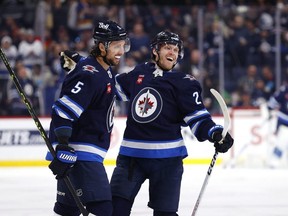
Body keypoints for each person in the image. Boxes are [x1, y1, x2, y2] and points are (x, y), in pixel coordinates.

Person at [61, 30, 234, 216]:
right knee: (114, 211)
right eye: (168, 48)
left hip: (168, 162)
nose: (172, 53)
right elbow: (106, 84)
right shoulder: (140, 72)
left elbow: (198, 118)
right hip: (131, 159)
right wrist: (83, 65)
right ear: (155, 51)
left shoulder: (185, 83)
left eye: (176, 50)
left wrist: (215, 133)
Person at [46, 19, 130, 216]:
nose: (121, 50)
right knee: (104, 210)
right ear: (102, 47)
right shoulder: (90, 74)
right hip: (81, 155)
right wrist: (64, 146)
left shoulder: (101, 69)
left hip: (81, 154)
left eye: (123, 45)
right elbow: (64, 110)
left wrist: (79, 61)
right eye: (116, 46)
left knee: (69, 211)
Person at [267, 80, 288, 168]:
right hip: (284, 119)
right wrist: (271, 108)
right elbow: (272, 103)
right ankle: (274, 160)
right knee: (282, 140)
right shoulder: (284, 89)